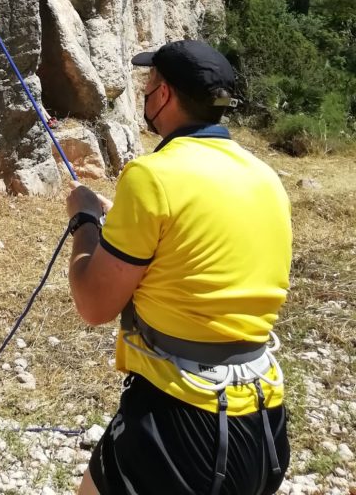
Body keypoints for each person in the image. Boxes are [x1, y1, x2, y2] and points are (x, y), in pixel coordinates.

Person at [66, 40, 292, 495]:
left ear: (164, 94)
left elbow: (93, 305)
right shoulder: (265, 177)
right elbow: (195, 244)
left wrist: (84, 219)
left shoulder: (150, 176)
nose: (145, 93)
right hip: (264, 420)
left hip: (181, 421)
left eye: (149, 83)